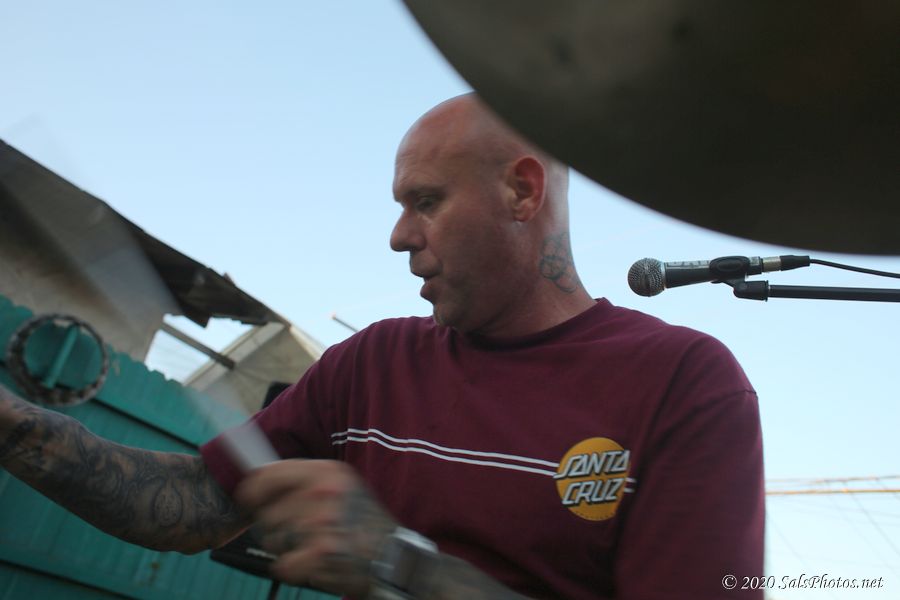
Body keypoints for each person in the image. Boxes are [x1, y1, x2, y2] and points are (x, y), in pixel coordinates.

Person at [0, 94, 764, 599]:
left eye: (425, 202)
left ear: (522, 191)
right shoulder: (373, 364)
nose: (399, 237)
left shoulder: (684, 383)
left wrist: (401, 566)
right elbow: (197, 503)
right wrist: (14, 427)